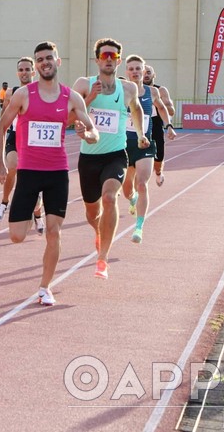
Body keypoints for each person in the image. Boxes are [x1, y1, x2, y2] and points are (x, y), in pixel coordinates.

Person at [0, 41, 99, 305]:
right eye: (39, 59)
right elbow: (1, 128)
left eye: (48, 58)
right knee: (16, 236)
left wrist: (87, 134)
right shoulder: (23, 95)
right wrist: (0, 163)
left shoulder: (71, 98)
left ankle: (45, 287)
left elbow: (94, 130)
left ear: (57, 61)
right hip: (28, 173)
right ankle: (32, 209)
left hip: (56, 173)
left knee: (54, 232)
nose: (44, 62)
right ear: (36, 64)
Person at [72, 38, 148, 279]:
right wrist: (89, 99)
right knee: (92, 213)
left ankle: (102, 258)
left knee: (109, 198)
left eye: (113, 56)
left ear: (118, 61)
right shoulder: (84, 84)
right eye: (104, 55)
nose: (108, 59)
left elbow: (136, 109)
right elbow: (70, 112)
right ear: (96, 59)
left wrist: (140, 134)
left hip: (116, 154)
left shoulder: (128, 89)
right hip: (89, 157)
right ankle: (99, 231)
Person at [122, 55, 176, 244]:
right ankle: (132, 199)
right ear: (126, 72)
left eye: (138, 68)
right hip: (123, 145)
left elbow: (161, 108)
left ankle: (139, 227)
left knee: (142, 183)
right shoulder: (120, 90)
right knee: (127, 188)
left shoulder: (152, 92)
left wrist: (168, 125)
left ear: (143, 71)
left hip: (144, 143)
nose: (135, 72)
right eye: (131, 69)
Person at [0, 56, 45, 236]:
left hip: (35, 139)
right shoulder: (11, 93)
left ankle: (38, 213)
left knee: (33, 178)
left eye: (27, 69)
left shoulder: (41, 90)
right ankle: (4, 202)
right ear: (18, 73)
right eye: (20, 70)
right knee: (12, 166)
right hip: (16, 136)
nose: (24, 73)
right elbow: (3, 119)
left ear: (34, 71)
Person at [143, 64, 175, 186]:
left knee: (159, 153)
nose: (146, 74)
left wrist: (158, 102)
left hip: (155, 122)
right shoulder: (135, 88)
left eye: (149, 72)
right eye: (144, 72)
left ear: (154, 75)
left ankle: (158, 172)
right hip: (138, 122)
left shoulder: (160, 90)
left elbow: (171, 111)